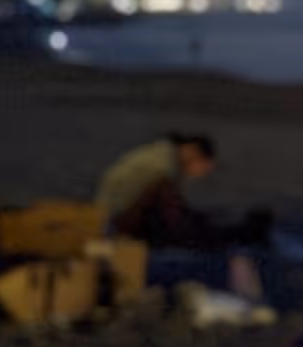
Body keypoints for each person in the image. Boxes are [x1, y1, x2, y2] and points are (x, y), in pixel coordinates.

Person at [92, 129, 269, 300]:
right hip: (114, 222)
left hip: (114, 215)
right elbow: (171, 210)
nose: (197, 174)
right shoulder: (164, 163)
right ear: (195, 153)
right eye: (203, 167)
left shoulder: (162, 154)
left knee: (186, 220)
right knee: (184, 224)